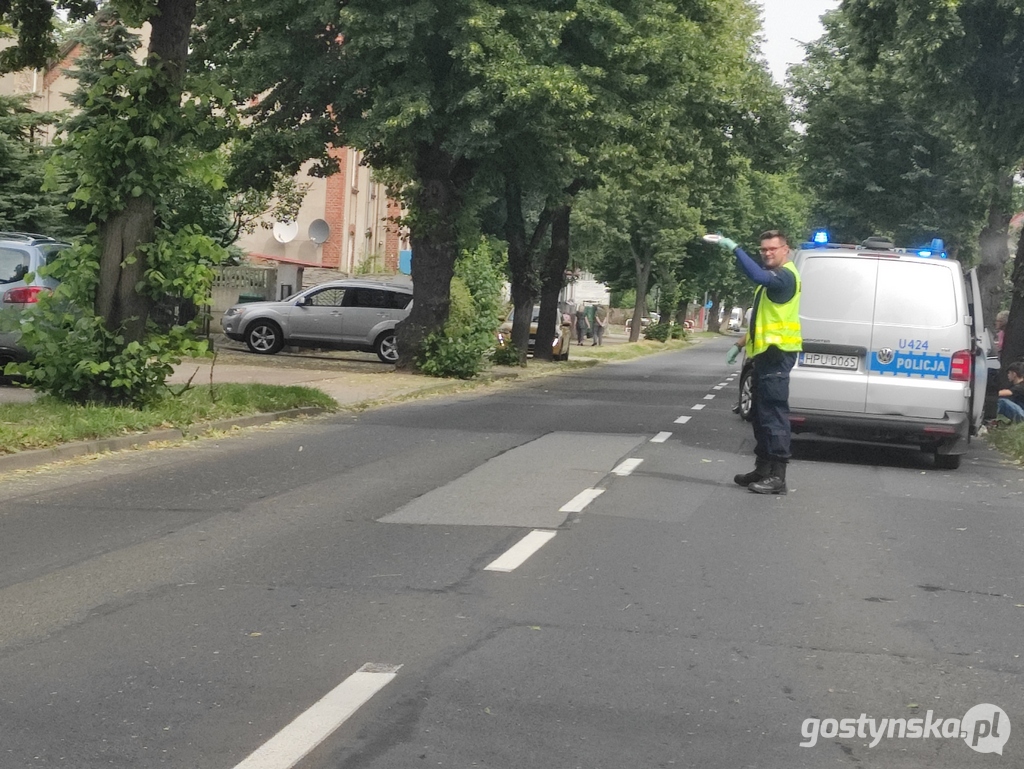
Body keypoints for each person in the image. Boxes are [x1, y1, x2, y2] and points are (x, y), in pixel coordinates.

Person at [712, 230, 802, 494]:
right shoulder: (770, 282)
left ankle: (778, 476)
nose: (767, 253)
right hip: (764, 355)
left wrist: (734, 248)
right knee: (760, 416)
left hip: (777, 354)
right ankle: (762, 468)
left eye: (772, 249)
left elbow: (756, 274)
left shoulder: (785, 277)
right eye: (763, 249)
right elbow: (761, 320)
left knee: (774, 415)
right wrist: (739, 345)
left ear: (786, 250)